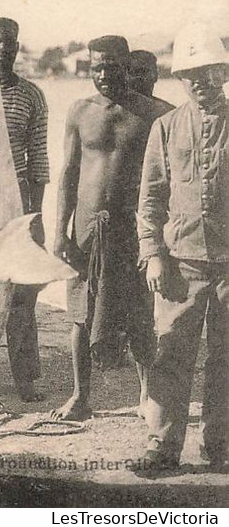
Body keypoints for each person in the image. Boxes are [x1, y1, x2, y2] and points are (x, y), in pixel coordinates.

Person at [52, 35, 172, 421]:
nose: (104, 75)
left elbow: (167, 180)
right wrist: (60, 232)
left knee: (141, 313)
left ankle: (146, 395)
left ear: (127, 66)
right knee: (79, 314)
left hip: (132, 230)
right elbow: (68, 175)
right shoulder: (78, 111)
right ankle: (80, 397)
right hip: (88, 229)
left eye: (112, 67)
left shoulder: (155, 114)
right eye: (97, 67)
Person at [137, 24, 228, 473]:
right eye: (190, 74)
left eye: (209, 72)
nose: (200, 82)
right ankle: (161, 445)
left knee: (227, 358)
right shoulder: (165, 127)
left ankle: (221, 445)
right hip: (181, 264)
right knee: (171, 354)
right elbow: (151, 197)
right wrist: (153, 252)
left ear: (224, 71)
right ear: (180, 78)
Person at [0, 17, 50, 402]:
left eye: (9, 43)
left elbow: (39, 158)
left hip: (18, 203)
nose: (2, 49)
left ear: (17, 46)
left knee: (22, 296)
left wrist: (37, 215)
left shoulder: (30, 95)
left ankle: (25, 378)